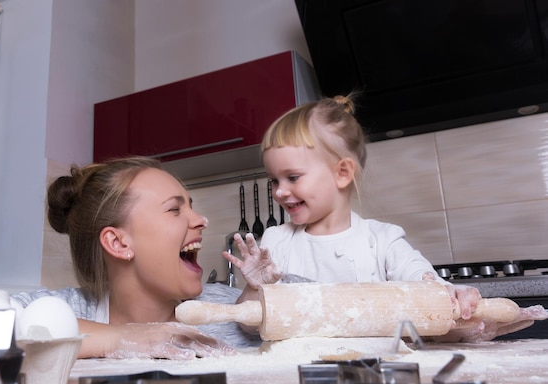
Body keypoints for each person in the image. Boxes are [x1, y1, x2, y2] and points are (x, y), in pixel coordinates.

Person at [224, 95, 544, 341]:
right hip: (295, 376)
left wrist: (451, 295)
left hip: (380, 377)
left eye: (292, 177)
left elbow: (424, 282)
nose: (280, 192)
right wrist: (254, 289)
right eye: (274, 181)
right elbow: (249, 328)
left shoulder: (381, 241)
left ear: (342, 173)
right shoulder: (277, 242)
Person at [12, 156, 260, 360]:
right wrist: (119, 338)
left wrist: (262, 296)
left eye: (191, 207)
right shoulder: (72, 310)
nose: (201, 220)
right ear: (118, 243)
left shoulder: (232, 309)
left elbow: (297, 301)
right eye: (174, 209)